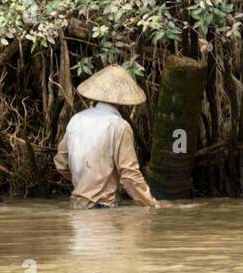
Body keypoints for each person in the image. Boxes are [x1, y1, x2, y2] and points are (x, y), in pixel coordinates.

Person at [53, 65, 166, 209]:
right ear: (123, 101)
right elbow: (129, 175)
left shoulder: (76, 119)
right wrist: (152, 204)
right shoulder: (119, 126)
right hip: (101, 208)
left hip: (76, 206)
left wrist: (85, 184)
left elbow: (60, 163)